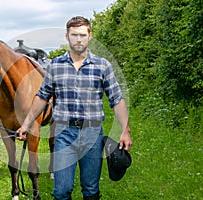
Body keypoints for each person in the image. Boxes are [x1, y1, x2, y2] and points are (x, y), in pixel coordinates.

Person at [17, 16, 132, 200]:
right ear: (67, 36)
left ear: (89, 36)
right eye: (74, 35)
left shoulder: (102, 66)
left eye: (82, 35)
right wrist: (26, 124)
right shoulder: (55, 66)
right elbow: (42, 97)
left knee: (91, 189)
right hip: (64, 133)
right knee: (61, 190)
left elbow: (117, 99)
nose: (79, 39)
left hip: (93, 133)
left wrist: (125, 130)